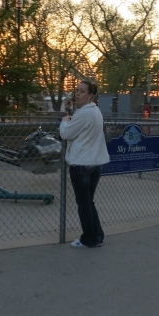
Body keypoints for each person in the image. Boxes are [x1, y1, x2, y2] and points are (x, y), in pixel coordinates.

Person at [61, 79, 109, 248]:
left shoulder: (84, 113)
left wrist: (66, 120)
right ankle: (96, 236)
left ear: (90, 95)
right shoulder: (95, 112)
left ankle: (88, 239)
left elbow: (66, 134)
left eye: (82, 91)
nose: (78, 94)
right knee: (89, 201)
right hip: (94, 163)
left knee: (84, 203)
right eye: (77, 91)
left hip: (81, 164)